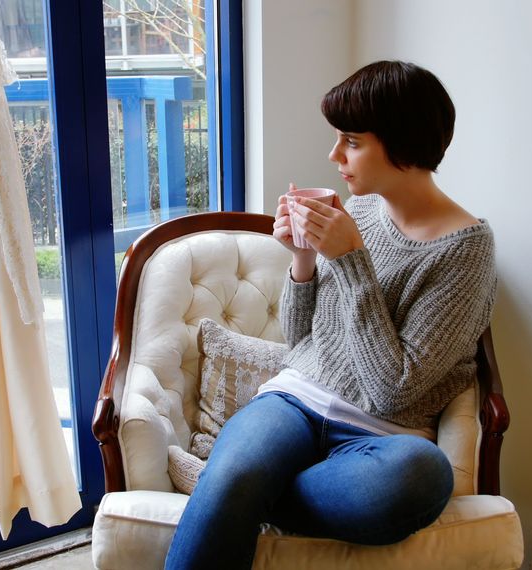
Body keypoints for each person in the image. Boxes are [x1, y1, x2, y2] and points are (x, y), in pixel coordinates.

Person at [164, 60, 497, 569]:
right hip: (295, 402)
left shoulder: (465, 249)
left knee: (423, 477)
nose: (334, 155)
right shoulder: (359, 211)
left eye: (352, 141)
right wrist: (302, 261)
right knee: (243, 468)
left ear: (401, 143)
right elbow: (302, 346)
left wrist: (348, 260)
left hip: (380, 441)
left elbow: (394, 389)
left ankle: (233, 485)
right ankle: (235, 481)